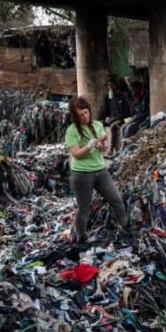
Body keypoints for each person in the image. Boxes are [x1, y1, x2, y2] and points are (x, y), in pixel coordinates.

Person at [65, 96, 129, 245]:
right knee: (84, 209)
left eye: (86, 112)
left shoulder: (97, 125)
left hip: (100, 171)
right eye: (80, 115)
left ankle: (126, 230)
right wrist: (88, 146)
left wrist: (101, 146)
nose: (85, 117)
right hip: (81, 174)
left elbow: (105, 148)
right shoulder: (72, 130)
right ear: (75, 116)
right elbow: (76, 154)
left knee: (117, 200)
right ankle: (81, 238)